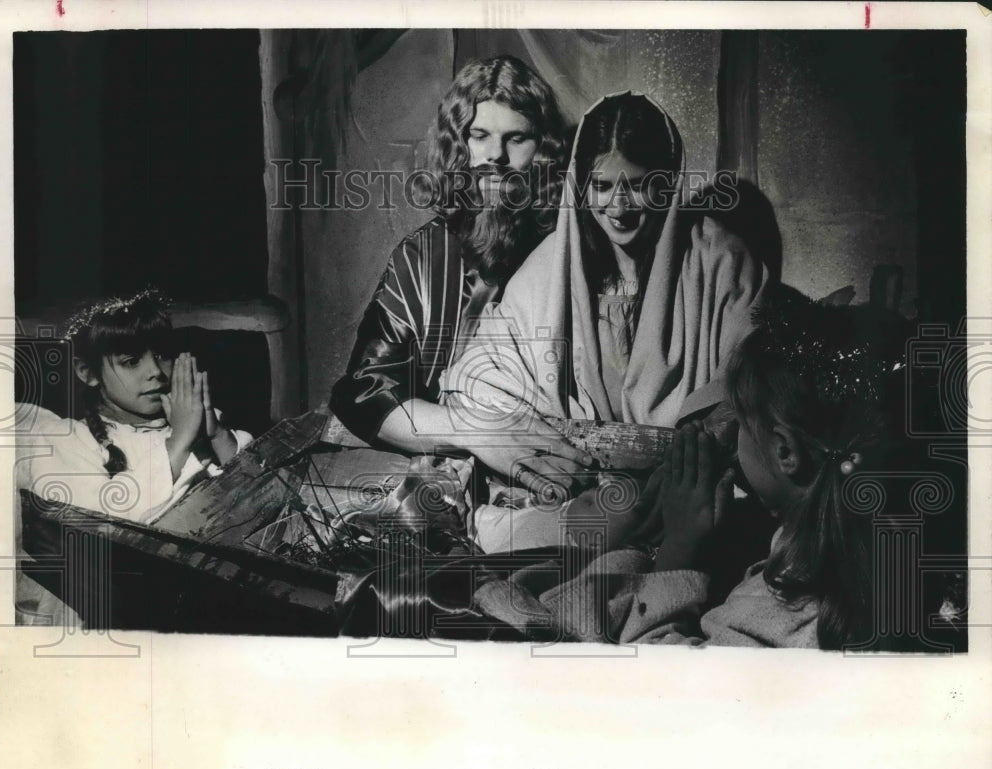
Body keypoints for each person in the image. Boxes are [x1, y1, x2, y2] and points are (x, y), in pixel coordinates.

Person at [474, 294, 912, 650]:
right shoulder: (878, 544)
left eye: (739, 418)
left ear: (785, 450)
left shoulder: (783, 602)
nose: (731, 435)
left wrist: (679, 549)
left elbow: (668, 683)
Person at [441, 91, 772, 548]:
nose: (618, 207)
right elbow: (477, 379)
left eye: (635, 185)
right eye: (600, 187)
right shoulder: (549, 269)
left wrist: (693, 452)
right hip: (575, 496)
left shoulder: (721, 263)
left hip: (684, 494)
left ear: (666, 182)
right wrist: (525, 443)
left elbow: (751, 381)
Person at [329, 55, 593, 497]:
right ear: (459, 144)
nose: (496, 156)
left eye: (517, 139)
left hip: (561, 475)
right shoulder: (422, 256)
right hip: (444, 481)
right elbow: (363, 391)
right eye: (480, 135)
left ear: (544, 151)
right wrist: (478, 432)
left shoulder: (568, 251)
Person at [14, 289, 253, 624]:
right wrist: (179, 441)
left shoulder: (198, 425)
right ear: (88, 373)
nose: (155, 371)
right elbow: (100, 525)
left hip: (201, 602)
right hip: (109, 611)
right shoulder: (67, 438)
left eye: (162, 355)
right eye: (131, 362)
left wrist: (216, 435)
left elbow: (262, 494)